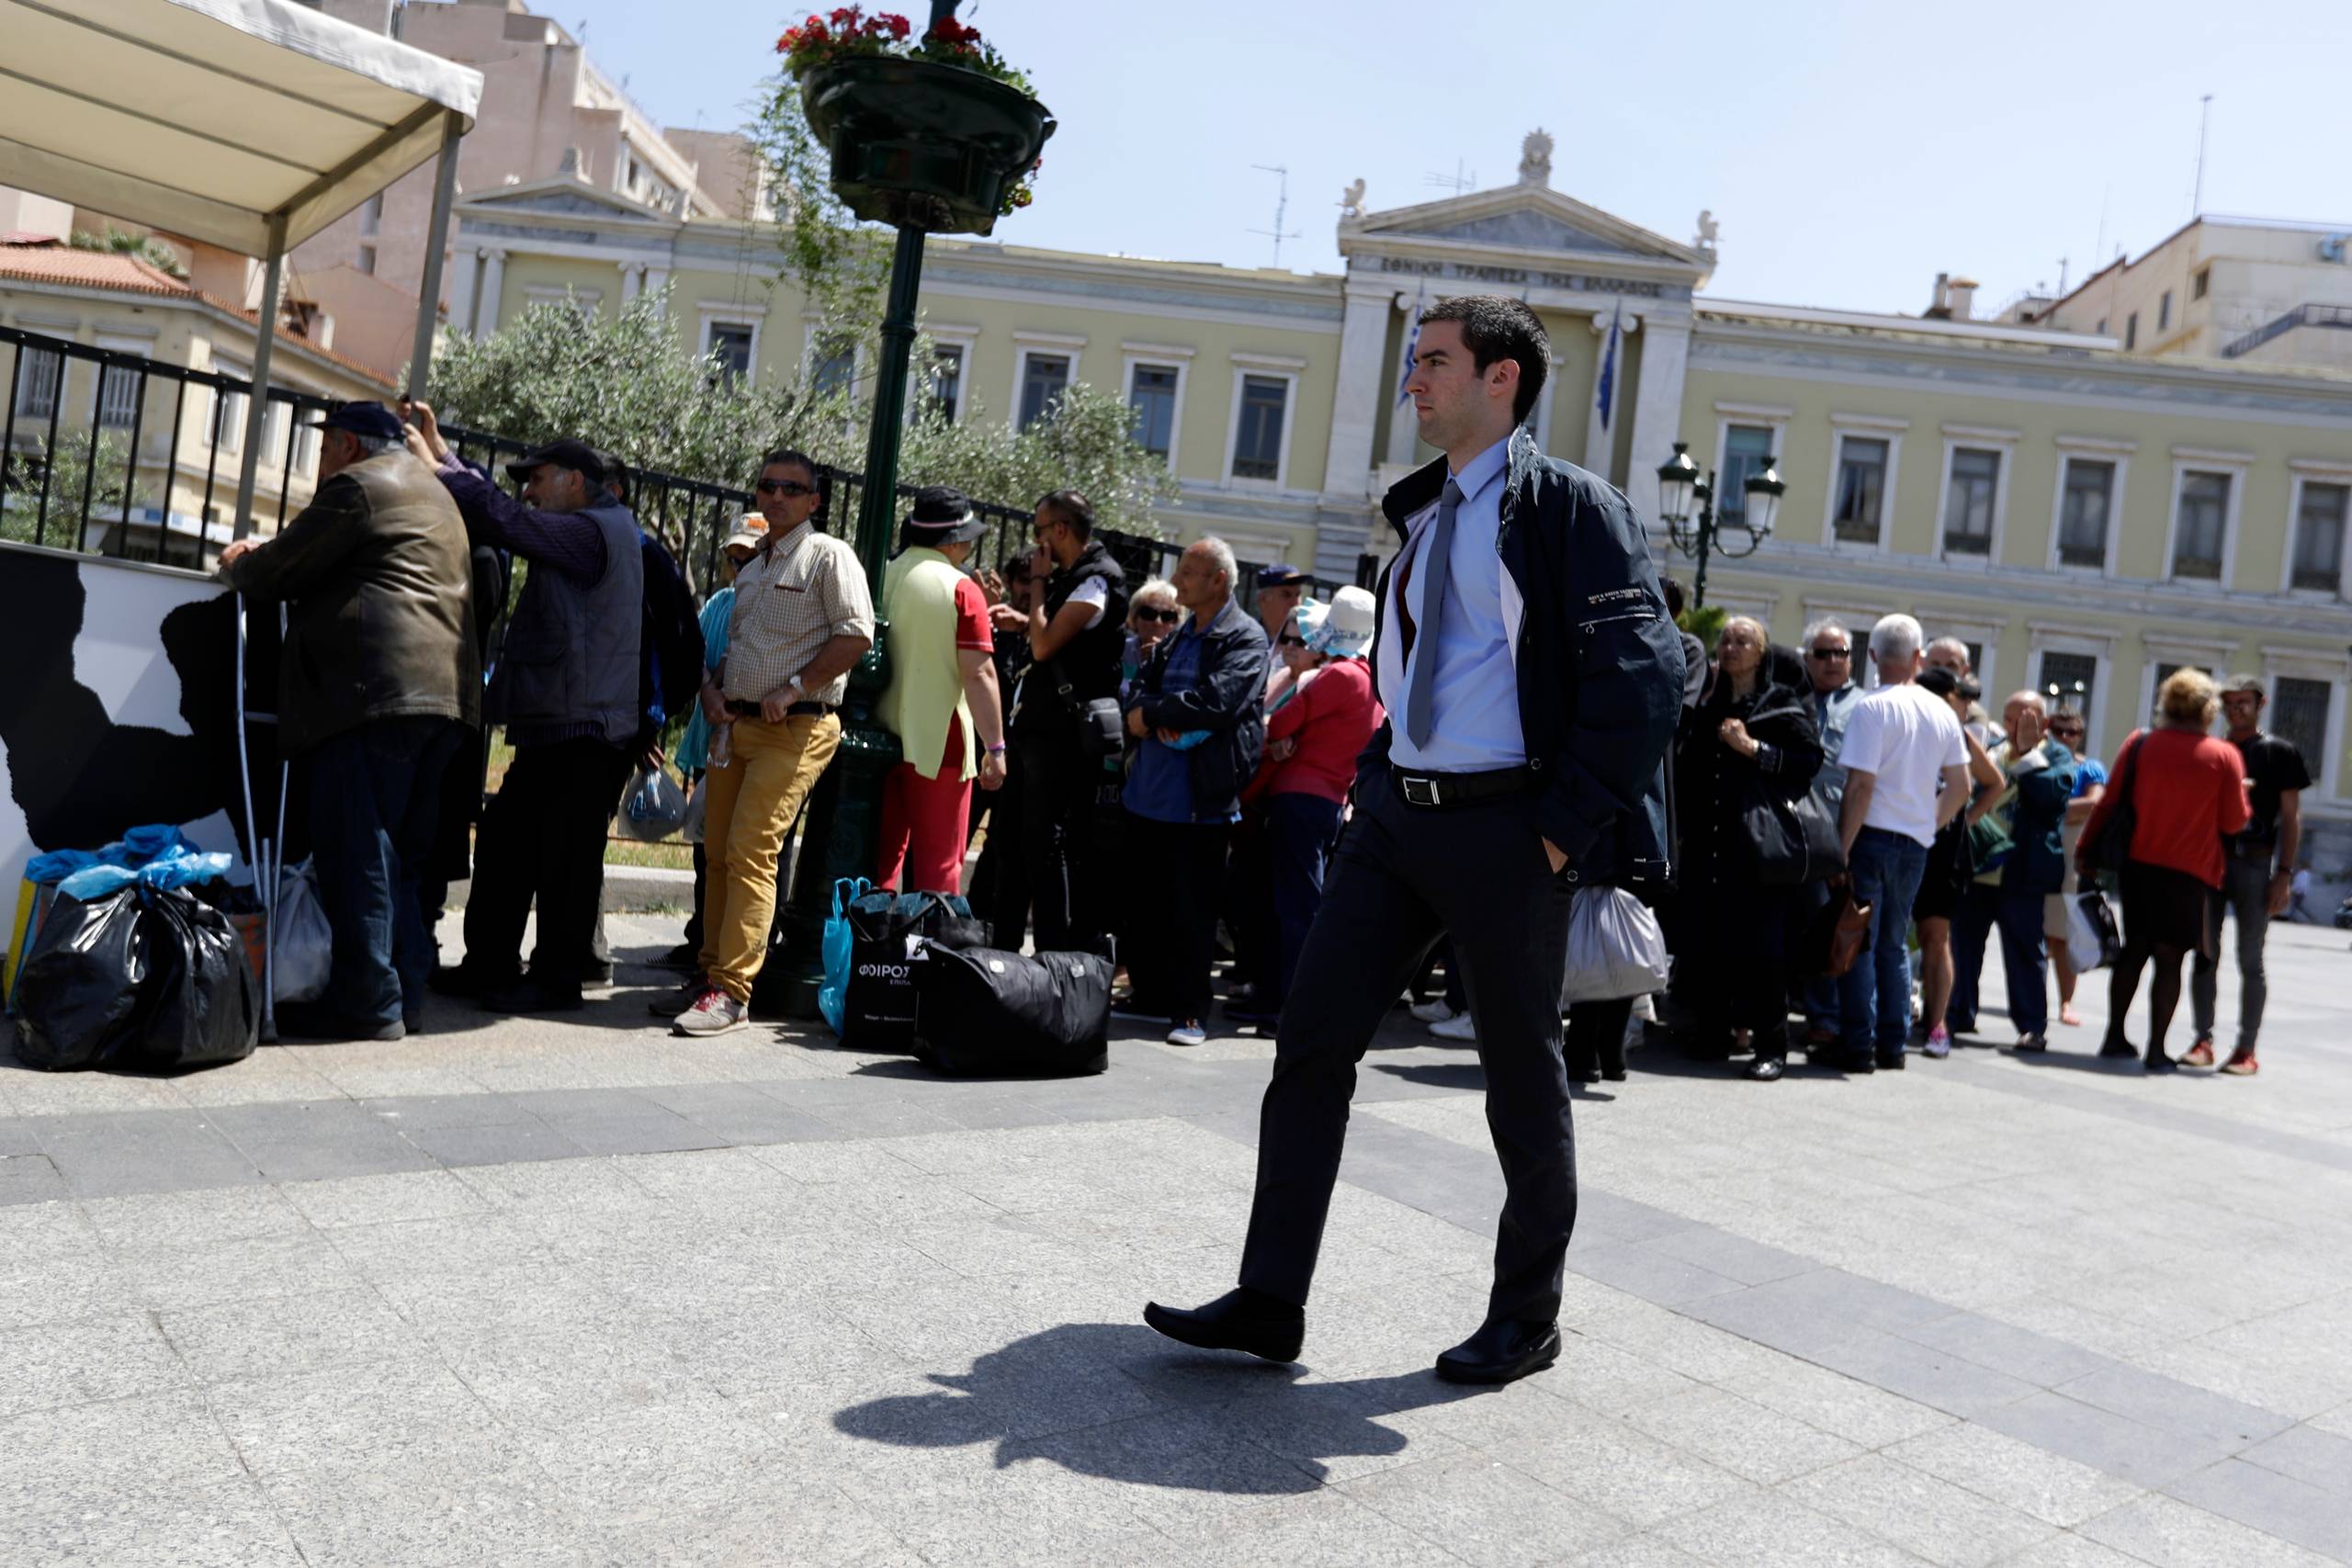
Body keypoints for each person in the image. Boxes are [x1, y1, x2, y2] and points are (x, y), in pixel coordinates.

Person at [1144, 295, 1682, 1386]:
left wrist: (1556, 833)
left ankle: (1525, 1318)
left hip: (1507, 830)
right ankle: (1269, 1298)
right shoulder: (1423, 512)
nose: (1412, 381)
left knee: (1520, 1081)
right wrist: (1374, 788)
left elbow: (1647, 678)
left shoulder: (1573, 509)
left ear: (1503, 380)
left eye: (1434, 362)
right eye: (1412, 363)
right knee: (1309, 1046)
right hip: (1394, 818)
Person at [216, 401, 476, 1041]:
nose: (322, 459)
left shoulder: (358, 488)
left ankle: (369, 1002)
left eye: (326, 445)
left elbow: (281, 568)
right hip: (444, 698)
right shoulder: (433, 491)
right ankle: (404, 994)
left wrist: (238, 561)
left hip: (372, 694)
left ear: (349, 445)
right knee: (402, 859)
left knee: (359, 851)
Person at [409, 416, 641, 1015]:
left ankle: (557, 978)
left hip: (583, 730)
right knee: (509, 842)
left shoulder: (593, 533)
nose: (529, 490)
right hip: (557, 727)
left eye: (537, 479)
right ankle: (491, 964)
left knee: (563, 861)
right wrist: (443, 453)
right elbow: (507, 508)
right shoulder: (589, 525)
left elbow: (507, 521)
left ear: (574, 481)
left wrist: (439, 470)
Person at [672, 449, 873, 1036]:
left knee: (751, 849)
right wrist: (713, 692)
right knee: (717, 852)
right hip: (734, 725)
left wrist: (795, 688)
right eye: (767, 486)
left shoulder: (828, 556)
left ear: (814, 501)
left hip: (797, 726)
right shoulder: (755, 564)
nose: (777, 495)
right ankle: (709, 975)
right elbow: (740, 649)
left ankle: (732, 992)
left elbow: (857, 634)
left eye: (792, 488)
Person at [1118, 537, 1267, 1047]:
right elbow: (1142, 685)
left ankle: (1189, 1013)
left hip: (1200, 804)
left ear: (1218, 580)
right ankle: (1151, 996)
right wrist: (1145, 710)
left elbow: (1217, 702)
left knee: (1193, 913)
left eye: (1188, 572)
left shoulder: (1245, 638)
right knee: (1145, 905)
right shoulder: (1183, 634)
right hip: (1148, 797)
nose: (1177, 581)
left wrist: (1155, 713)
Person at [1671, 616, 1823, 1079]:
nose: (1732, 648)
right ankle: (1713, 1033)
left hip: (1758, 852)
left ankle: (1770, 1049)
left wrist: (1754, 749)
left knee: (1764, 955)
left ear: (1761, 653)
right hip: (1709, 847)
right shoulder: (1711, 702)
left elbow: (1809, 760)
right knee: (1710, 944)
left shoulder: (1780, 704)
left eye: (1743, 641)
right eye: (1726, 641)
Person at [2079, 669, 2250, 1071]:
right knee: (2170, 959)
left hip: (2139, 865)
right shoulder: (2224, 756)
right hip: (2190, 872)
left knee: (2134, 951)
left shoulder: (2140, 743)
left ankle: (2115, 1035)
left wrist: (2086, 848)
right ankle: (2157, 1048)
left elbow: (2109, 802)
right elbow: (2233, 822)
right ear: (2208, 709)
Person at [1227, 589, 1381, 1029]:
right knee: (1296, 907)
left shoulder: (1340, 676)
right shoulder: (1370, 680)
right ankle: (1280, 1001)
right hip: (1326, 802)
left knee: (1294, 911)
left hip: (1298, 799)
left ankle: (1290, 1008)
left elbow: (1282, 722)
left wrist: (1278, 735)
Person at [1834, 615, 1971, 1073]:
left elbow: (1860, 787)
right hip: (1915, 841)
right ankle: (1892, 1046)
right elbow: (1962, 786)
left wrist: (1842, 847)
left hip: (1871, 834)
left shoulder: (1871, 708)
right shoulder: (1941, 712)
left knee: (1860, 940)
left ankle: (1858, 1043)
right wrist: (1929, 823)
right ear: (1918, 656)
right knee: (1894, 944)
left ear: (1872, 656)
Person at [993, 491, 1127, 952]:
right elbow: (1047, 635)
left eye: (1039, 531)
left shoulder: (1098, 579)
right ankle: (1003, 948)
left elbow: (1046, 643)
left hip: (1062, 736)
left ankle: (1053, 957)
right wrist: (1023, 617)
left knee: (1044, 844)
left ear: (1061, 532)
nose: (1036, 543)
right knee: (1011, 839)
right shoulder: (1074, 577)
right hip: (1035, 730)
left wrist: (1036, 585)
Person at [875, 488, 1006, 894]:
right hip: (940, 747)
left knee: (878, 866)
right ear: (953, 540)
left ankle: (866, 953)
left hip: (875, 735)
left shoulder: (880, 573)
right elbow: (979, 674)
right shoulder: (962, 589)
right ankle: (927, 954)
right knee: (939, 871)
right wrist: (996, 747)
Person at [658, 518, 764, 974]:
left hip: (752, 745)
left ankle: (739, 946)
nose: (738, 567)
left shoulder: (769, 607)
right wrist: (706, 687)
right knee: (708, 850)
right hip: (713, 744)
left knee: (743, 850)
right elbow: (691, 654)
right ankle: (701, 938)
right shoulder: (720, 603)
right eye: (733, 559)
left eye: (749, 559)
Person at [2187, 675, 2308, 1074]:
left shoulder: (2279, 752)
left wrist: (2285, 873)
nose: (2237, 708)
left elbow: (2290, 818)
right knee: (2205, 953)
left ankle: (2246, 1049)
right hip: (2210, 862)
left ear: (2261, 704)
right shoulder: (2213, 751)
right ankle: (2202, 1039)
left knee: (2250, 959)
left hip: (2256, 863)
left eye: (2244, 702)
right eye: (2230, 702)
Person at [1948, 692, 2076, 1053]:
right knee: (1965, 944)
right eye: (2008, 718)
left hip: (2022, 871)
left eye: (2024, 719)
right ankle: (1958, 1012)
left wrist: (2026, 756)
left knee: (2024, 951)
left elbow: (2051, 798)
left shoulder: (2056, 755)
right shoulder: (1994, 749)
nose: (2014, 726)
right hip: (1980, 867)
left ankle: (2032, 1026)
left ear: (2043, 722)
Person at [1911, 669, 2002, 1057]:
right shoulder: (1907, 723)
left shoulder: (1958, 734)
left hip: (1942, 846)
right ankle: (1889, 1016)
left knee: (1936, 936)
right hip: (1901, 835)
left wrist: (1963, 819)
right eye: (1956, 697)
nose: (1961, 704)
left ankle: (1937, 1025)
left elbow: (1994, 782)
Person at [1795, 617, 1862, 1051]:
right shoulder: (1792, 696)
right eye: (1824, 653)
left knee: (1829, 922)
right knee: (1793, 923)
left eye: (1841, 653)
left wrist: (1845, 846)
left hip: (1835, 834)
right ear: (1807, 658)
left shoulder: (1863, 707)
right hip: (1789, 832)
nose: (1834, 661)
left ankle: (1825, 1017)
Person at [2043, 706, 2107, 1028]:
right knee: (2035, 932)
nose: (2066, 737)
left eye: (2072, 732)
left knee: (2063, 935)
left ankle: (2066, 1002)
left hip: (2071, 858)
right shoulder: (2039, 764)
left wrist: (2050, 809)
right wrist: (2071, 811)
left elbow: (2094, 804)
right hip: (2038, 853)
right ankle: (2034, 999)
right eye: (2059, 730)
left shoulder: (2090, 767)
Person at [1253, 562, 1310, 706]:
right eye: (1286, 595)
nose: (1295, 603)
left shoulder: (1309, 642)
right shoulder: (1246, 638)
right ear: (1263, 599)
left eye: (1298, 595)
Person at [1122, 577, 1182, 693]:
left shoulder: (1181, 658)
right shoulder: (1118, 651)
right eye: (1149, 613)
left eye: (1167, 616)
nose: (1158, 622)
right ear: (1135, 617)